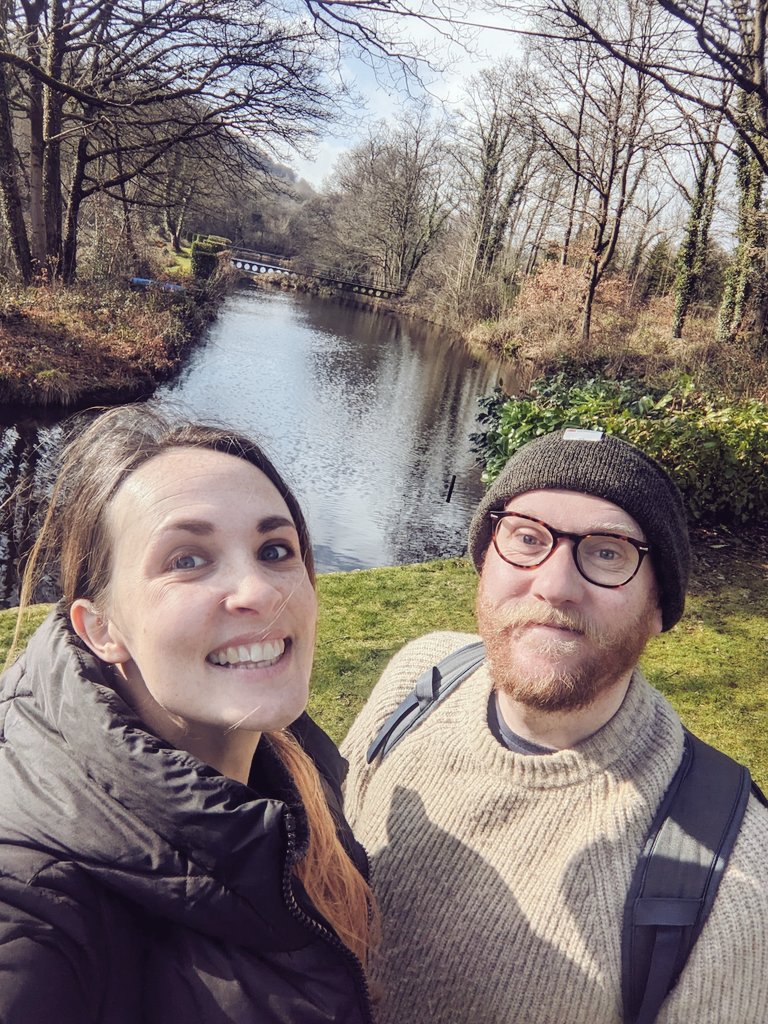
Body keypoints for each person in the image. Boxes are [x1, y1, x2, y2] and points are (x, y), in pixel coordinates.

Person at [341, 427, 768, 1024]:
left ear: (657, 607)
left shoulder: (737, 883)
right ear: (486, 559)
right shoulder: (421, 675)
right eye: (526, 538)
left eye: (607, 552)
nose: (554, 585)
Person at [0, 406, 376, 1024]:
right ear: (101, 629)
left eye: (275, 549)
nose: (257, 591)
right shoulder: (35, 907)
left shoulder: (298, 765)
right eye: (187, 560)